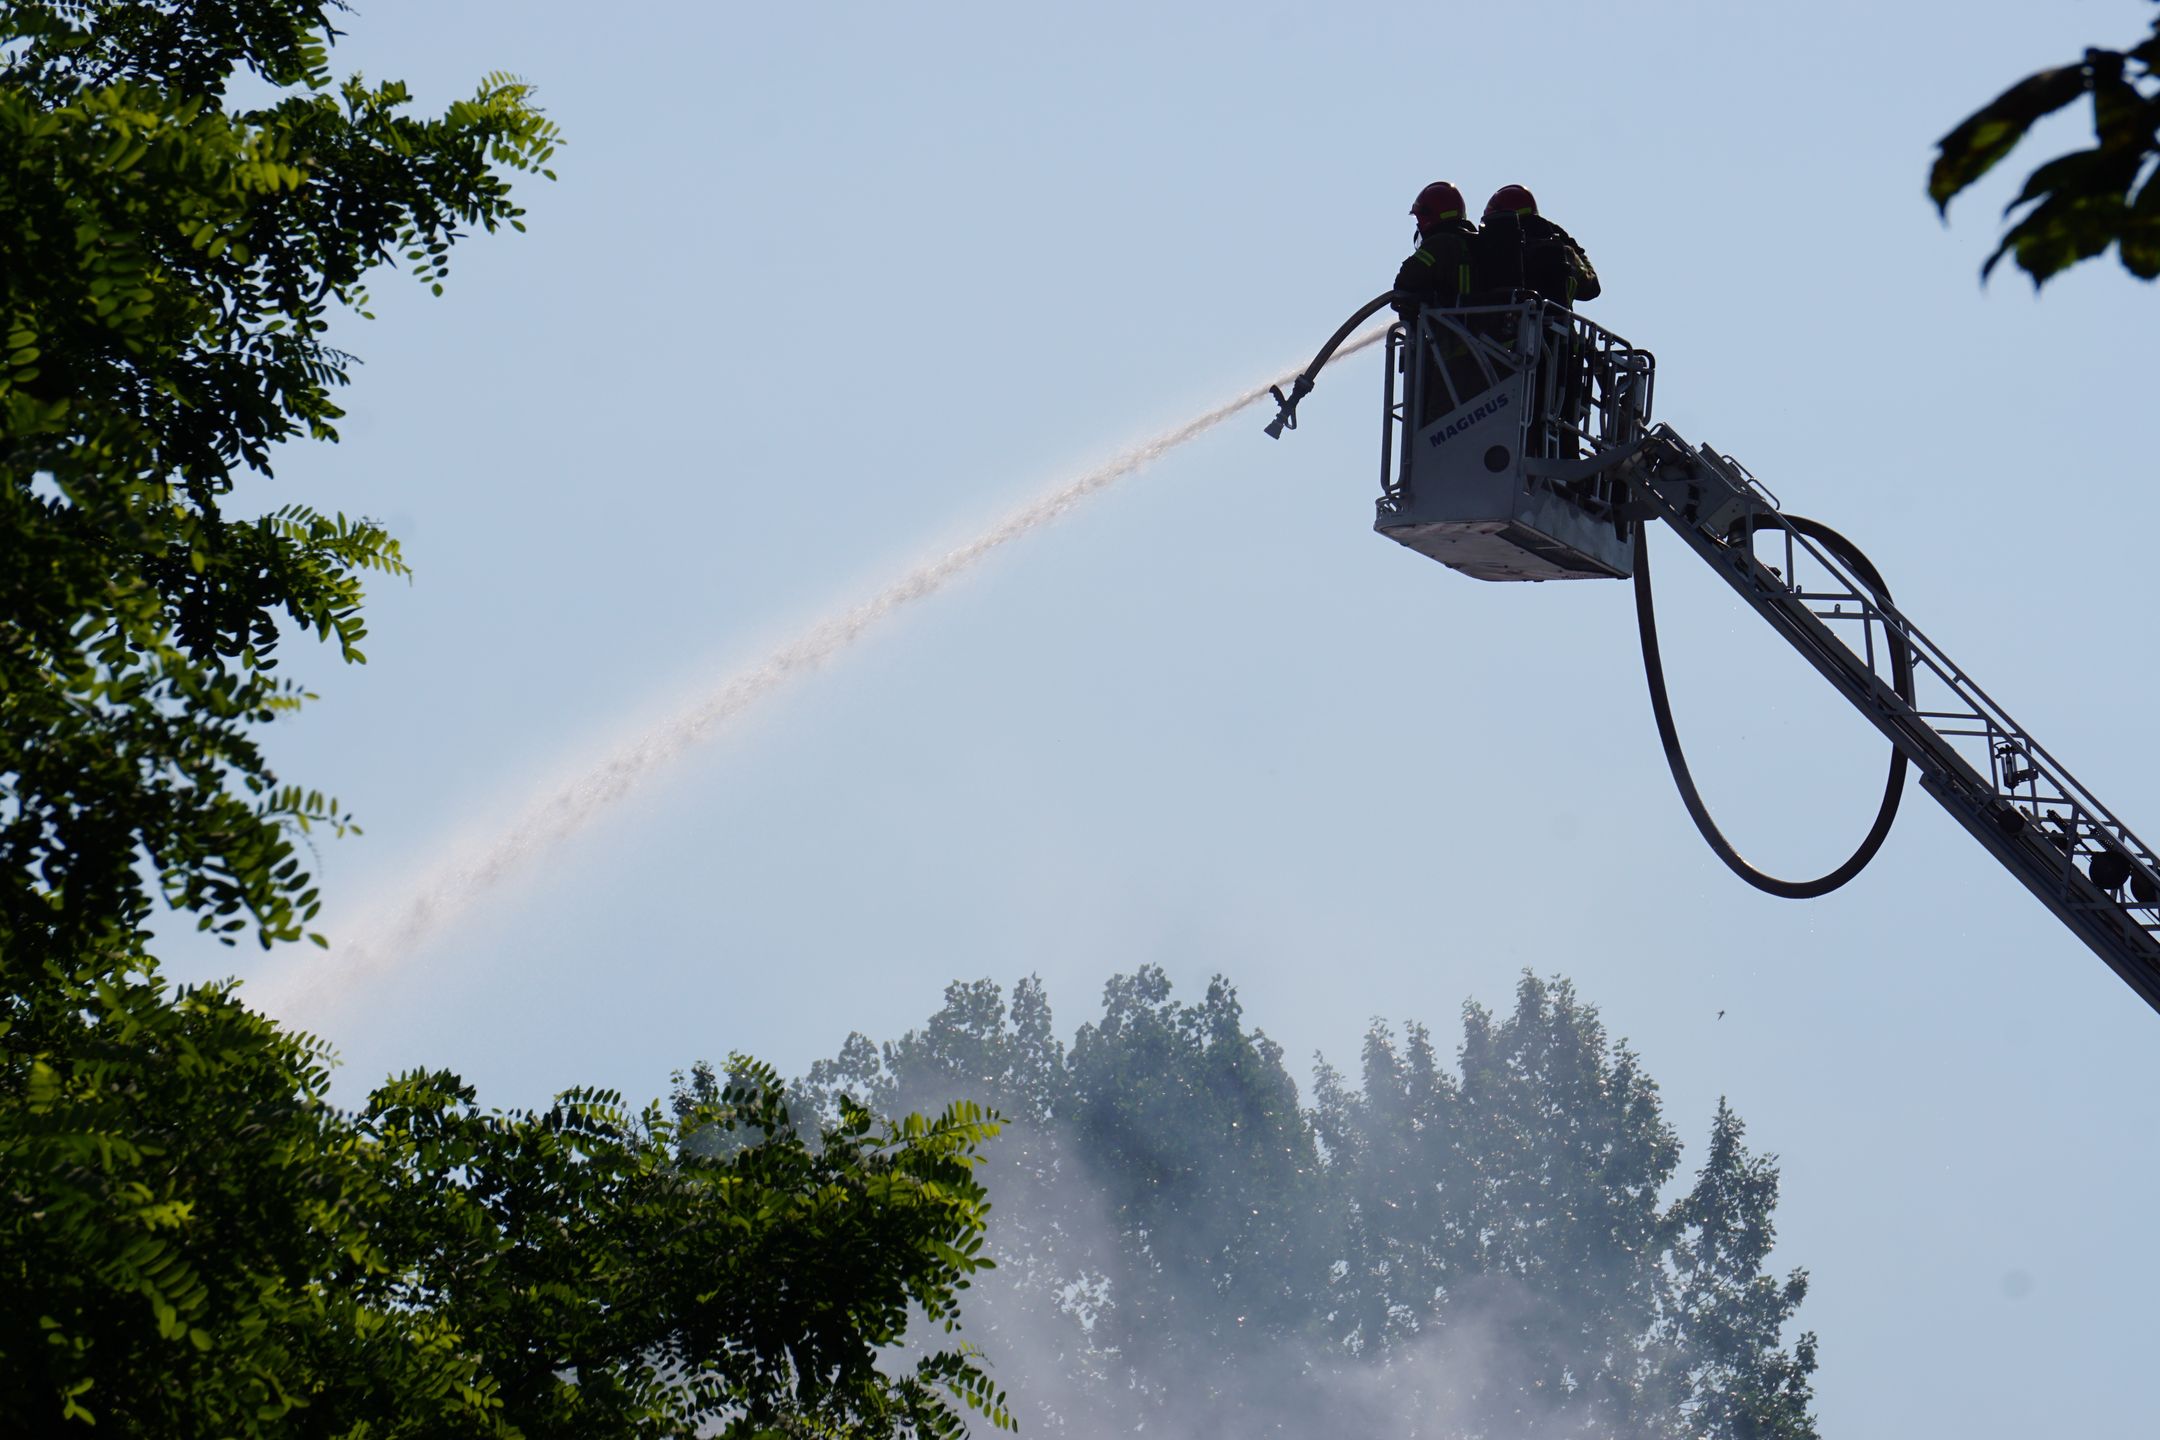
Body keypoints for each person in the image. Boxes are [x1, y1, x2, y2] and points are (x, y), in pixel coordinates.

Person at [1392, 182, 1480, 421]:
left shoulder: (1441, 244)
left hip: (1450, 358)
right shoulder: (1476, 245)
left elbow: (1405, 283)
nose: (1418, 225)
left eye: (1420, 218)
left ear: (1431, 217)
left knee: (1435, 431)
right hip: (1487, 360)